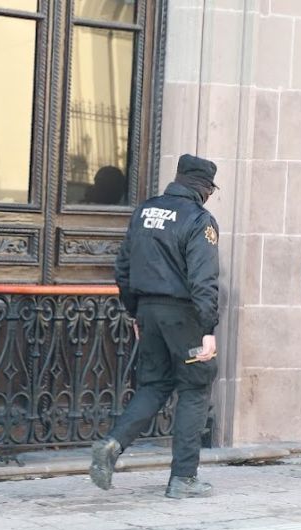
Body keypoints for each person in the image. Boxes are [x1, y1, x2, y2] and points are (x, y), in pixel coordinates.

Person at [90, 154, 221, 499]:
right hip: (183, 316)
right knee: (195, 387)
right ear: (205, 188)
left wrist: (134, 312)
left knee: (154, 385)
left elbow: (123, 267)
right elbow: (204, 279)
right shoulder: (199, 219)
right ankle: (183, 478)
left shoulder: (145, 211)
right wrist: (208, 328)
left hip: (148, 311)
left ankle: (112, 444)